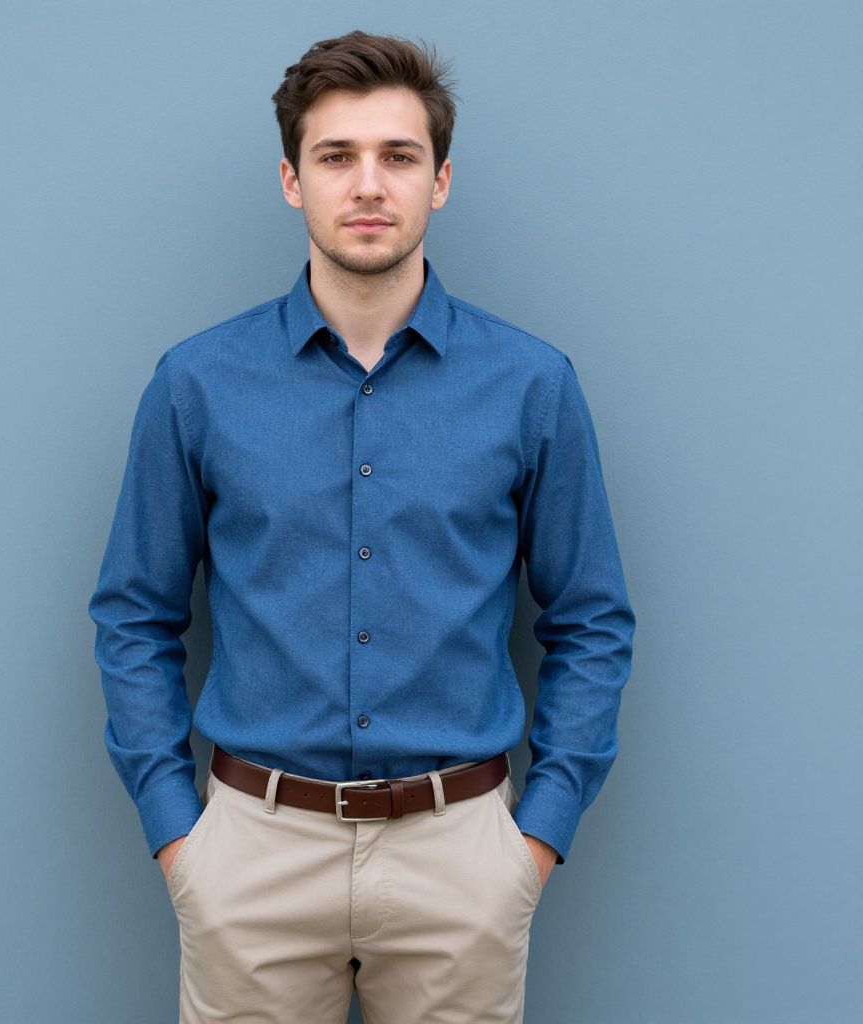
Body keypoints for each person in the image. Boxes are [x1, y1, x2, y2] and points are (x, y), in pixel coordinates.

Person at [88, 28, 636, 1024]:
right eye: (336, 156)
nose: (369, 184)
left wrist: (533, 840)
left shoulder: (531, 385)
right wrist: (181, 837)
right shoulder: (197, 383)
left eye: (399, 155)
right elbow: (133, 613)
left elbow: (591, 619)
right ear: (293, 181)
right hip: (251, 854)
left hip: (459, 855)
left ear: (442, 179)